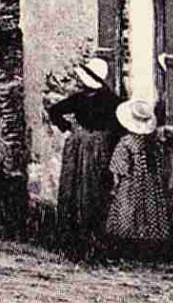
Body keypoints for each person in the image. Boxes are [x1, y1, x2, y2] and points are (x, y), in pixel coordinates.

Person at [46, 57, 123, 260]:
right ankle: (85, 241)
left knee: (84, 190)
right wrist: (106, 140)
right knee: (86, 190)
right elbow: (120, 127)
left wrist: (71, 129)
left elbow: (54, 111)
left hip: (84, 147)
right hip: (94, 148)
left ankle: (79, 241)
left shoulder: (86, 99)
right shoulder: (112, 101)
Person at [105, 100, 173, 260]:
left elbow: (119, 168)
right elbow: (158, 165)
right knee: (150, 212)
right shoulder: (153, 143)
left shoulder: (126, 143)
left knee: (127, 212)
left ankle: (125, 248)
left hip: (130, 184)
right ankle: (148, 248)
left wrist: (116, 186)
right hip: (150, 183)